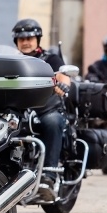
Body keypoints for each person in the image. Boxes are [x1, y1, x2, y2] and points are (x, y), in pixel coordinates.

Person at [11, 18, 70, 171]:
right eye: (21, 39)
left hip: (45, 110)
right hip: (18, 110)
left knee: (53, 122)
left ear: (37, 39)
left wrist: (62, 84)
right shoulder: (11, 61)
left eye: (29, 38)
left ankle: (49, 175)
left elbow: (63, 76)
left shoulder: (51, 59)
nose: (25, 42)